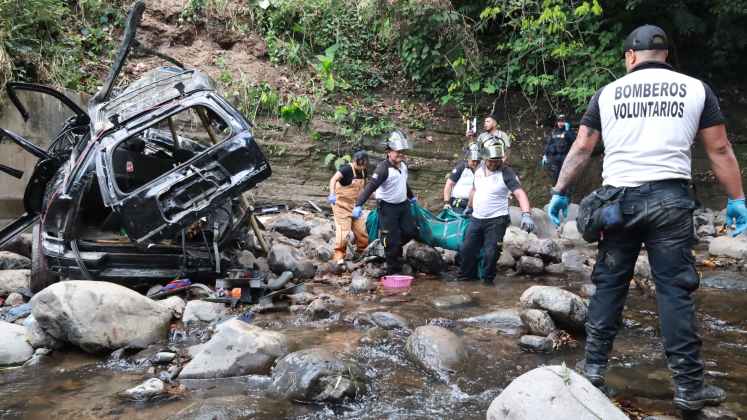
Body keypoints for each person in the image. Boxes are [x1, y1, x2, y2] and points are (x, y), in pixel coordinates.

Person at [547, 24, 746, 411]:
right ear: (666, 56)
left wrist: (559, 192)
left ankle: (593, 373)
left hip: (617, 204)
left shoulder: (607, 93)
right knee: (674, 292)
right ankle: (689, 388)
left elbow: (583, 145)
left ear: (630, 57)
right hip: (671, 203)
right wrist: (737, 198)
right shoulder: (695, 89)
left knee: (609, 287)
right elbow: (719, 148)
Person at [459, 138, 534, 284]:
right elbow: (474, 189)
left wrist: (526, 214)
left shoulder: (507, 173)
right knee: (467, 250)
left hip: (496, 220)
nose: (494, 164)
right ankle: (466, 280)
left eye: (497, 160)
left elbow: (520, 193)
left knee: (491, 253)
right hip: (476, 218)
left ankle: (487, 283)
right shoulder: (479, 170)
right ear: (484, 158)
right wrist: (469, 207)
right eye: (490, 161)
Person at [353, 130, 417, 274]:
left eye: (402, 151)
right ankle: (393, 270)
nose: (400, 154)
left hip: (403, 205)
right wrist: (358, 205)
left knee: (411, 231)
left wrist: (411, 198)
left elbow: (403, 184)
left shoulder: (403, 166)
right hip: (387, 208)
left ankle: (392, 248)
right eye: (397, 151)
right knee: (391, 240)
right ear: (389, 152)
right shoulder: (383, 169)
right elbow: (370, 187)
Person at [327, 150, 370, 265]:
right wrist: (332, 194)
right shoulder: (346, 169)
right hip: (341, 205)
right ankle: (338, 256)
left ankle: (361, 253)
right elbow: (333, 180)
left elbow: (364, 188)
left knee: (362, 232)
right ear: (355, 161)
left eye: (363, 165)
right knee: (343, 233)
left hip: (355, 205)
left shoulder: (364, 171)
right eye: (358, 164)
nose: (360, 167)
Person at [443, 142, 480, 213]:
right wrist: (446, 202)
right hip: (459, 203)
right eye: (473, 161)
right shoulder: (461, 167)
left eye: (477, 161)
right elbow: (449, 184)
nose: (475, 163)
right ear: (468, 158)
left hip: (476, 205)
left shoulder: (482, 170)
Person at [542, 114, 575, 184]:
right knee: (556, 175)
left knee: (566, 176)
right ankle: (556, 188)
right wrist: (545, 155)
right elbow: (548, 144)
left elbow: (574, 141)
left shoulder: (569, 131)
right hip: (555, 158)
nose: (560, 123)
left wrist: (567, 131)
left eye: (562, 121)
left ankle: (565, 190)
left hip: (565, 157)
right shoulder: (554, 132)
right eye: (559, 121)